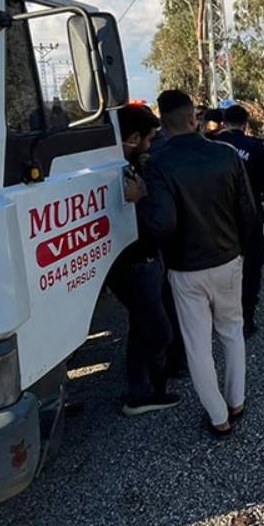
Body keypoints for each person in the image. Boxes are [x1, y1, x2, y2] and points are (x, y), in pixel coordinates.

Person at [141, 90, 260, 436]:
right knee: (232, 331)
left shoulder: (158, 164)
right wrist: (239, 249)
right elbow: (248, 213)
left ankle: (218, 417)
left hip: (185, 269)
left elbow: (162, 224)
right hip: (227, 259)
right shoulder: (225, 155)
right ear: (193, 117)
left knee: (197, 345)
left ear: (162, 121)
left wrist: (140, 200)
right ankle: (236, 400)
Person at [112, 104, 181, 415]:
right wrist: (142, 200)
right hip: (136, 264)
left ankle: (141, 387)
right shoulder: (123, 175)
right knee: (158, 330)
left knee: (141, 325)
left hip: (138, 262)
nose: (152, 146)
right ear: (134, 138)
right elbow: (143, 221)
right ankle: (141, 394)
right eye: (150, 139)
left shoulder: (128, 165)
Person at [214, 103, 264, 337]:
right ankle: (246, 316)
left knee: (220, 264)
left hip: (217, 217)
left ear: (224, 122)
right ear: (245, 124)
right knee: (251, 267)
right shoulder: (254, 147)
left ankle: (220, 314)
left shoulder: (210, 145)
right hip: (249, 215)